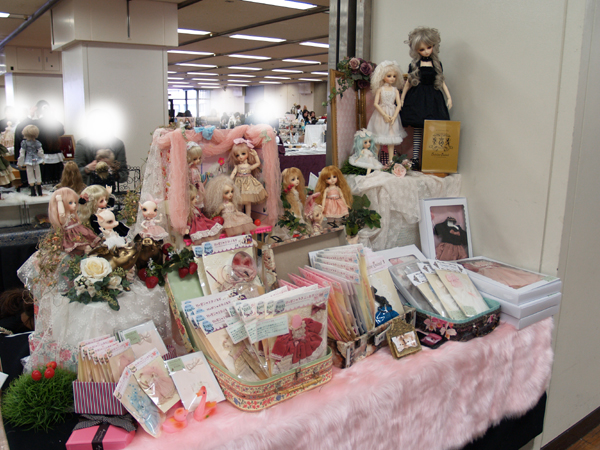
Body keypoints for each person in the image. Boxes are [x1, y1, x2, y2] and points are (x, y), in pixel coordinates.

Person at [74, 110, 128, 185]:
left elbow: (124, 175)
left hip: (108, 188)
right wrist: (88, 168)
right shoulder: (82, 144)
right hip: (87, 188)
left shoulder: (117, 144)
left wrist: (112, 169)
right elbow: (74, 173)